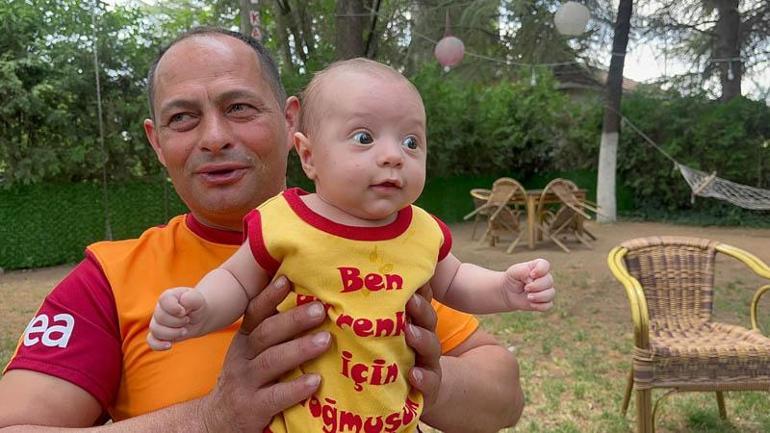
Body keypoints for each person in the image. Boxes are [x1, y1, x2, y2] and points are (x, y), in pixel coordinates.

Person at [0, 28, 533, 432]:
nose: (213, 137)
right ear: (157, 142)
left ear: (291, 121)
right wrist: (208, 418)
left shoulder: (384, 240)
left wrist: (417, 382)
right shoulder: (107, 280)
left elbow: (504, 396)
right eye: (183, 118)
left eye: (238, 107)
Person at [147, 59, 555, 433]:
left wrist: (504, 288)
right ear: (308, 156)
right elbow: (235, 282)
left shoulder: (420, 231)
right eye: (364, 137)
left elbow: (456, 280)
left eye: (412, 142)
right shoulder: (284, 221)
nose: (394, 156)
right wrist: (199, 308)